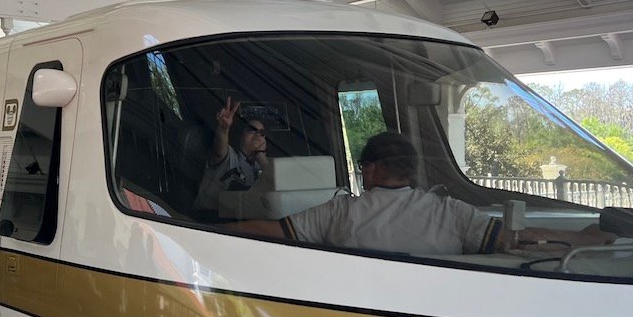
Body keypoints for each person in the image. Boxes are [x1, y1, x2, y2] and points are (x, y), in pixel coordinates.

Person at [232, 131, 611, 255]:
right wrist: (582, 238)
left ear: (371, 170)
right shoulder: (452, 213)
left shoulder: (339, 212)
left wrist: (202, 230)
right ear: (411, 171)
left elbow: (270, 231)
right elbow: (520, 240)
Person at [193, 96, 271, 211]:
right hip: (206, 220)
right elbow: (220, 149)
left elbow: (276, 184)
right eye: (252, 129)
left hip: (242, 225)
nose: (257, 135)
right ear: (241, 134)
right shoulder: (230, 156)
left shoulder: (263, 167)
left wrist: (260, 155)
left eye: (262, 133)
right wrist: (223, 128)